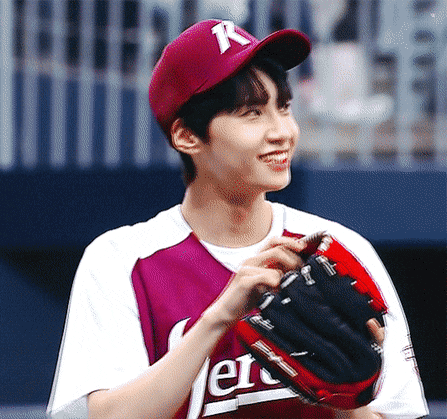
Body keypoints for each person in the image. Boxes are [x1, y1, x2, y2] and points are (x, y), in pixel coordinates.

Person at [47, 20, 428, 419]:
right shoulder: (121, 260)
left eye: (284, 107)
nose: (282, 131)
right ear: (187, 136)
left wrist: (348, 398)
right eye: (252, 113)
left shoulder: (336, 250)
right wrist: (219, 318)